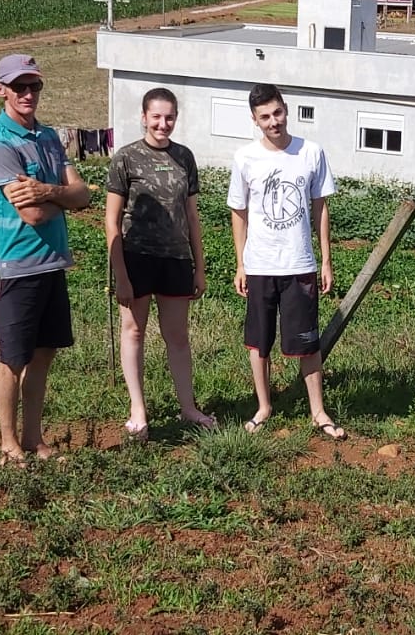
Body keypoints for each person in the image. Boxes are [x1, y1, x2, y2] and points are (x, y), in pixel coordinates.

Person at [0, 53, 90, 466]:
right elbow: (34, 214)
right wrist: (62, 195)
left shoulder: (47, 137)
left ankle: (33, 437)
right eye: (19, 86)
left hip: (52, 263)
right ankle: (8, 443)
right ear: (1, 90)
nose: (28, 94)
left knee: (43, 354)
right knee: (12, 359)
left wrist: (46, 190)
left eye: (34, 86)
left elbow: (83, 196)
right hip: (17, 267)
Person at [227, 82, 346, 439]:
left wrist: (325, 260)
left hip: (299, 264)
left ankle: (318, 411)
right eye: (264, 116)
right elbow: (239, 212)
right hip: (260, 265)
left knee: (308, 342)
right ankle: (264, 407)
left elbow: (321, 207)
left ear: (286, 110)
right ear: (255, 119)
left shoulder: (311, 152)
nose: (273, 121)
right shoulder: (245, 157)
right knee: (258, 342)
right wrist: (241, 263)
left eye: (277, 112)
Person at [105, 87, 216, 442]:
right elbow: (111, 221)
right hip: (136, 257)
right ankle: (138, 410)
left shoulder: (185, 157)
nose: (162, 123)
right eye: (156, 116)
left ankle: (188, 407)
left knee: (178, 336)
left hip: (176, 258)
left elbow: (192, 215)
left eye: (169, 117)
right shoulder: (125, 158)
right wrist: (120, 274)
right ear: (143, 117)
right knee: (133, 331)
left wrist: (199, 265)